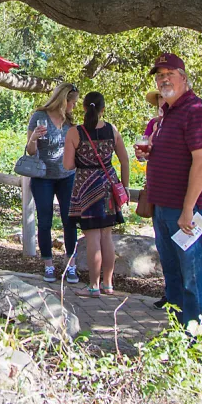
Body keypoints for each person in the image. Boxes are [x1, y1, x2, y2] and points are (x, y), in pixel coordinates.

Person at [142, 53, 202, 333]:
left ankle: (200, 341)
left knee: (192, 279)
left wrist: (188, 209)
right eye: (159, 75)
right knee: (173, 277)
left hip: (188, 210)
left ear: (184, 79)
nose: (163, 80)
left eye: (169, 74)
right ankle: (178, 336)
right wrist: (150, 152)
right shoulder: (167, 114)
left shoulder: (196, 111)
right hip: (163, 207)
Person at [63, 91, 128, 296]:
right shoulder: (112, 130)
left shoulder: (75, 132)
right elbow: (125, 160)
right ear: (103, 109)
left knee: (92, 237)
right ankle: (108, 284)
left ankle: (93, 285)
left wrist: (84, 162)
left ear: (83, 108)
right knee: (107, 236)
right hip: (108, 185)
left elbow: (67, 165)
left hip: (85, 185)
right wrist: (123, 186)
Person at [25, 82, 80, 283]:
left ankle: (71, 264)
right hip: (42, 177)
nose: (74, 106)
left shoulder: (70, 122)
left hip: (67, 177)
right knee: (45, 221)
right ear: (63, 100)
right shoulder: (39, 117)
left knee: (69, 220)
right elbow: (30, 150)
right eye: (72, 102)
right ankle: (48, 264)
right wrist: (34, 139)